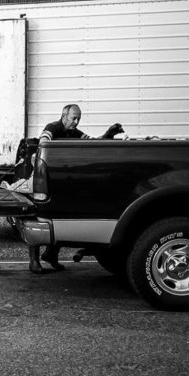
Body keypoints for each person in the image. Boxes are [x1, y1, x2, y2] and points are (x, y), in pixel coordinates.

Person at [29, 104, 125, 274]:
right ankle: (34, 261)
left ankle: (51, 255)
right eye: (73, 118)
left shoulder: (74, 132)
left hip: (58, 180)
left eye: (78, 118)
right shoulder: (53, 127)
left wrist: (108, 134)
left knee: (57, 214)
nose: (76, 121)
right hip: (43, 179)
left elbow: (93, 143)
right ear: (64, 116)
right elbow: (43, 142)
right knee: (37, 217)